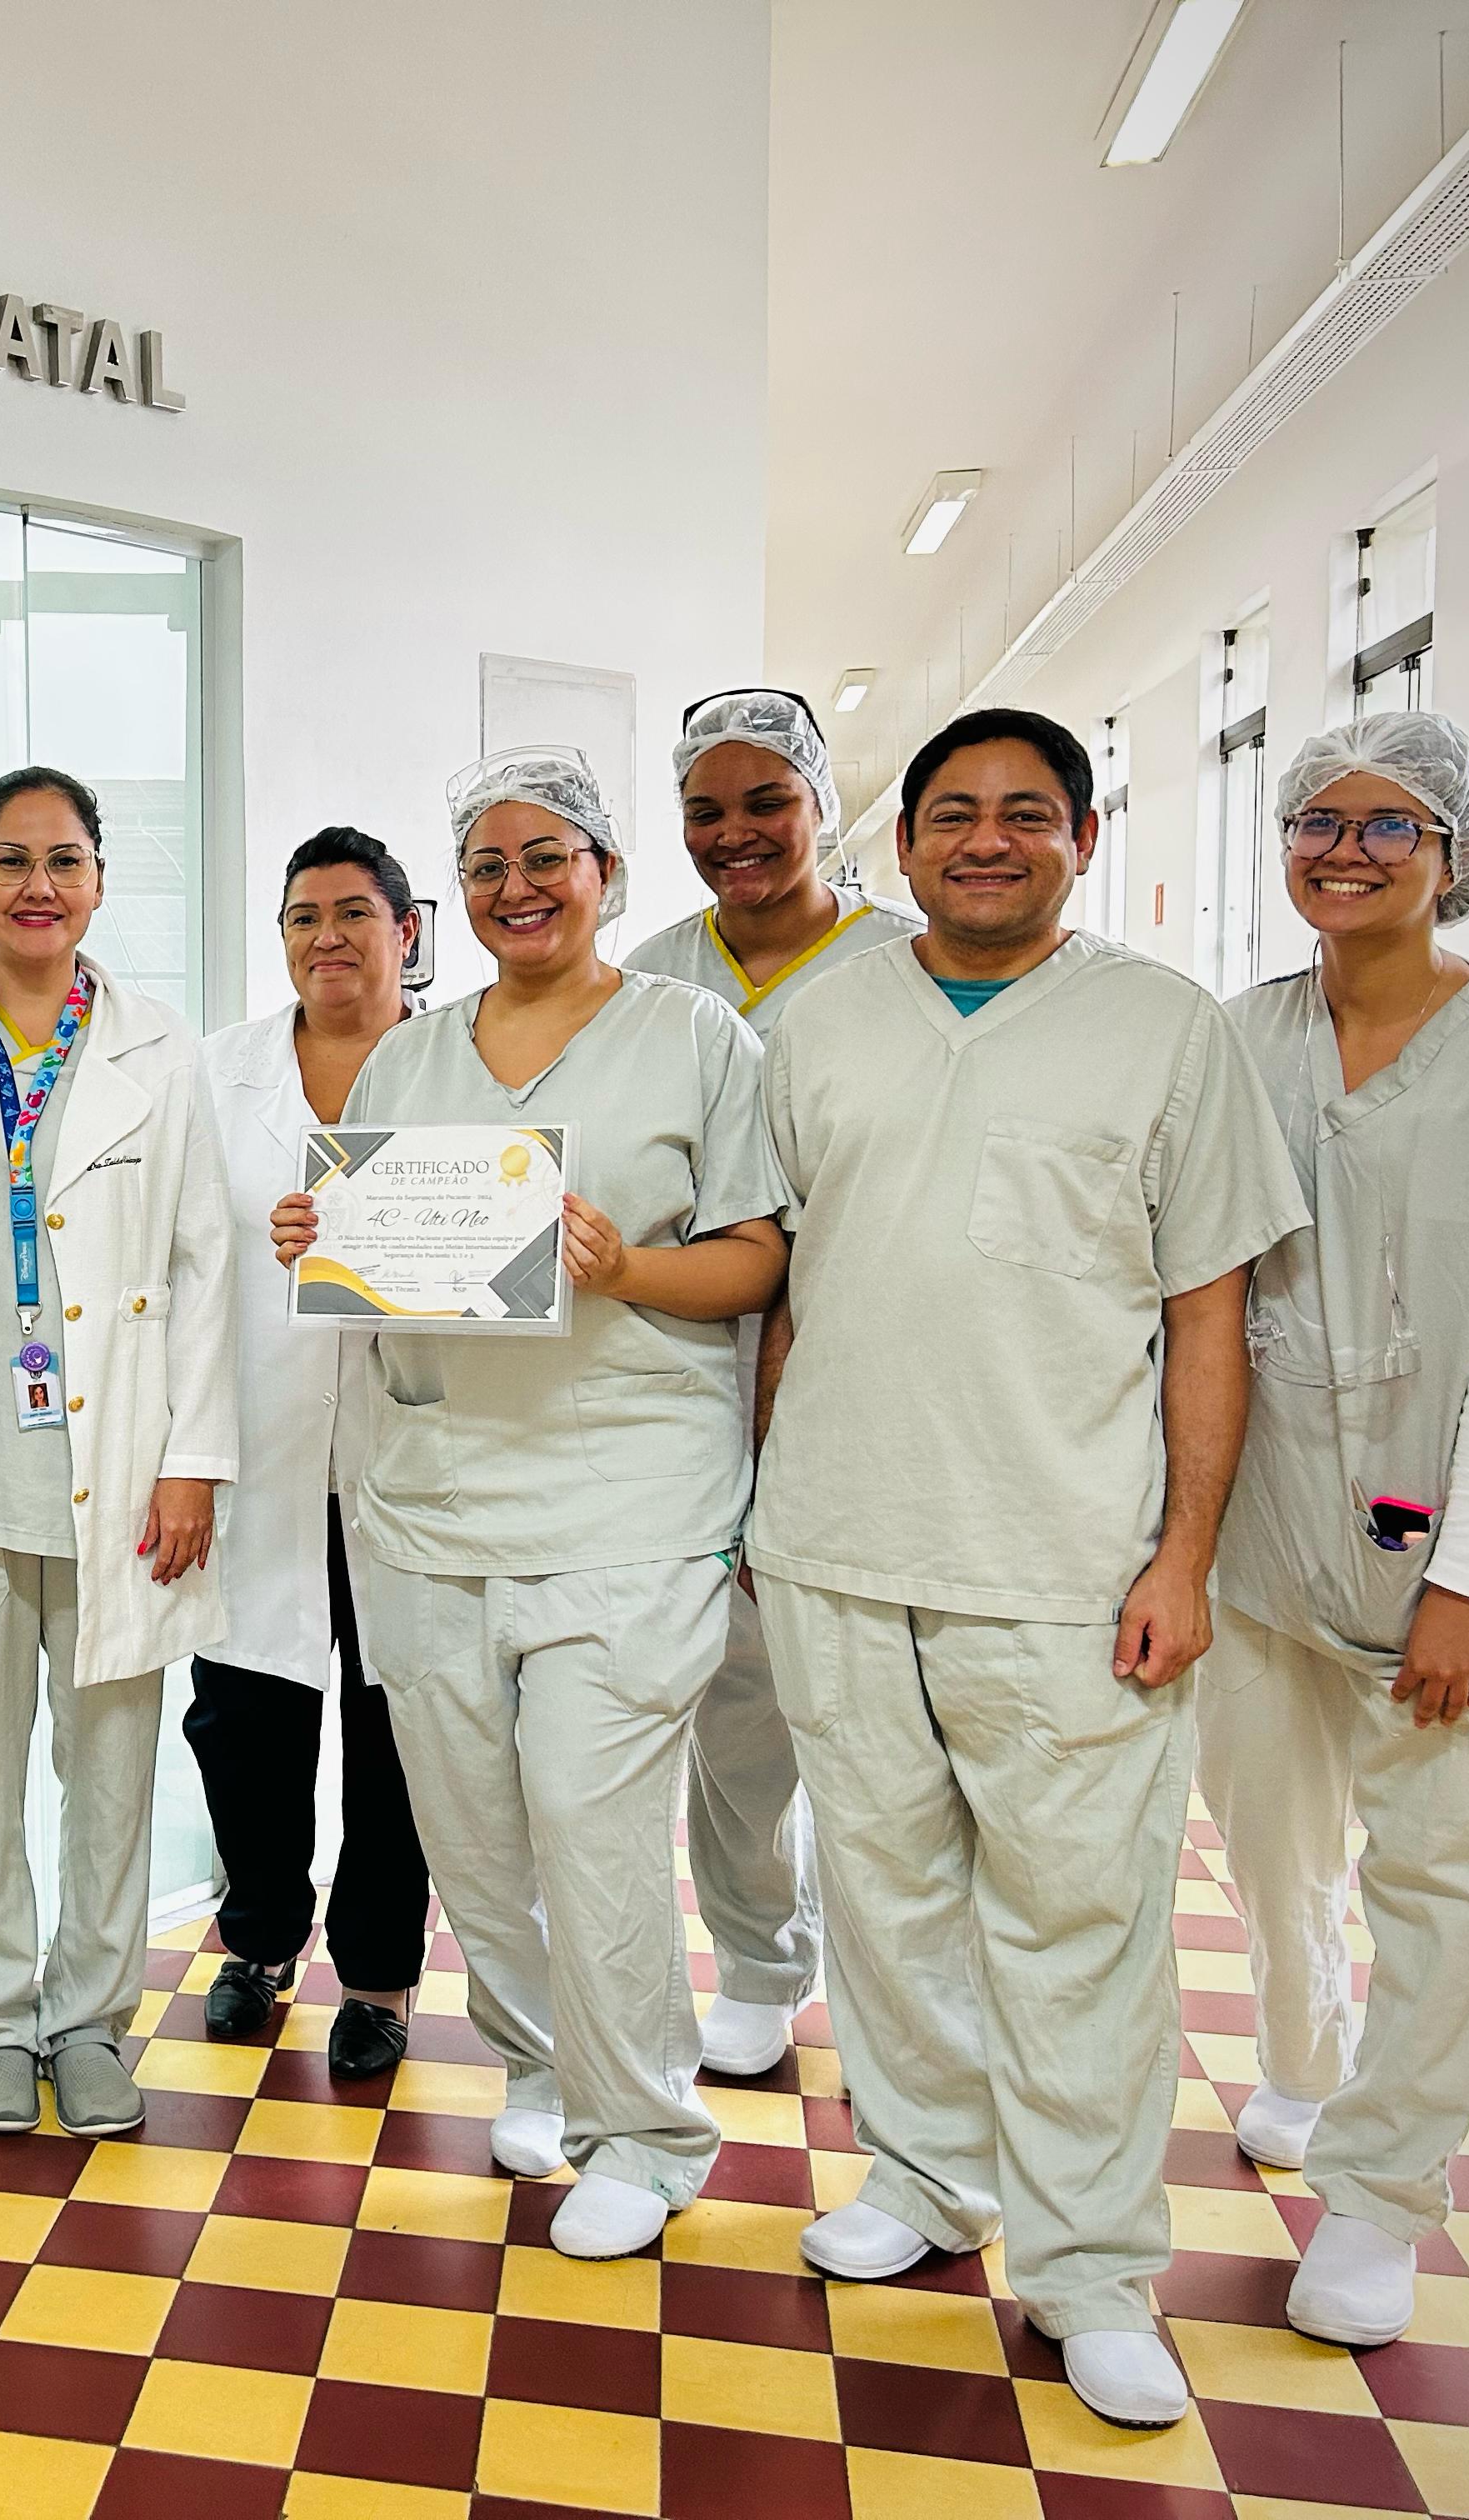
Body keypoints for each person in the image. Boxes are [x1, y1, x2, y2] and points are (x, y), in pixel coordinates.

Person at [749, 708, 1306, 2429]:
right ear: (904, 839)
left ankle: (1092, 2268)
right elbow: (786, 1280)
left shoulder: (1164, 1030)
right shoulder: (823, 1020)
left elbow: (1209, 1311)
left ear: (1082, 836)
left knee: (1081, 1928)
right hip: (841, 1545)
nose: (987, 840)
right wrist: (768, 1503)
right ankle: (928, 2180)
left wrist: (1184, 1555)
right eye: (954, 813)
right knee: (886, 1898)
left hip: (1067, 1562)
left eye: (1026, 813)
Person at [269, 749, 787, 2262]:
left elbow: (758, 1256)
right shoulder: (411, 1061)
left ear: (606, 873)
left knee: (585, 1811)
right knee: (474, 1827)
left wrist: (627, 1267)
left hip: (628, 1492)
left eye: (547, 857)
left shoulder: (696, 1039)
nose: (519, 889)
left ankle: (645, 2129)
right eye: (488, 866)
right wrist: (322, 1233)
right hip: (432, 1496)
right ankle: (544, 2064)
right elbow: (381, 1265)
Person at [1201, 713, 1469, 2348]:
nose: (1348, 851)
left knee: (1448, 1875)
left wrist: (1460, 1583)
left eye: (1392, 825)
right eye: (1319, 820)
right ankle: (1307, 2059)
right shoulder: (1238, 1039)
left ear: (1453, 854)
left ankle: (1380, 2197)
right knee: (1268, 1838)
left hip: (1452, 1533)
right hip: (1262, 1524)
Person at [0, 765, 238, 2141]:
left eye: (64, 860)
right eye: (11, 860)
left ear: (98, 883)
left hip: (121, 1472)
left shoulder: (158, 1047)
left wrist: (194, 1459)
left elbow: (203, 1262)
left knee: (111, 1775)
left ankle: (88, 2023)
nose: (38, 885)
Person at [622, 689, 915, 2076]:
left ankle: (898, 1989)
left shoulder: (904, 963)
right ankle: (755, 1957)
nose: (735, 834)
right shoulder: (652, 975)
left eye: (766, 803)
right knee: (734, 1707)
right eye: (705, 811)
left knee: (875, 1717)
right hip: (693, 1375)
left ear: (821, 805)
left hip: (870, 1374)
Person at [185, 829, 434, 2077]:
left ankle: (380, 1975)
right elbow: (184, 1270)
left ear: (406, 929)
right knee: (246, 1716)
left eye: (353, 912)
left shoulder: (460, 1067)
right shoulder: (217, 1073)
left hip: (413, 1453)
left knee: (400, 1726)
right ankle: (260, 1939)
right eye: (302, 916)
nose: (326, 937)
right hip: (262, 1442)